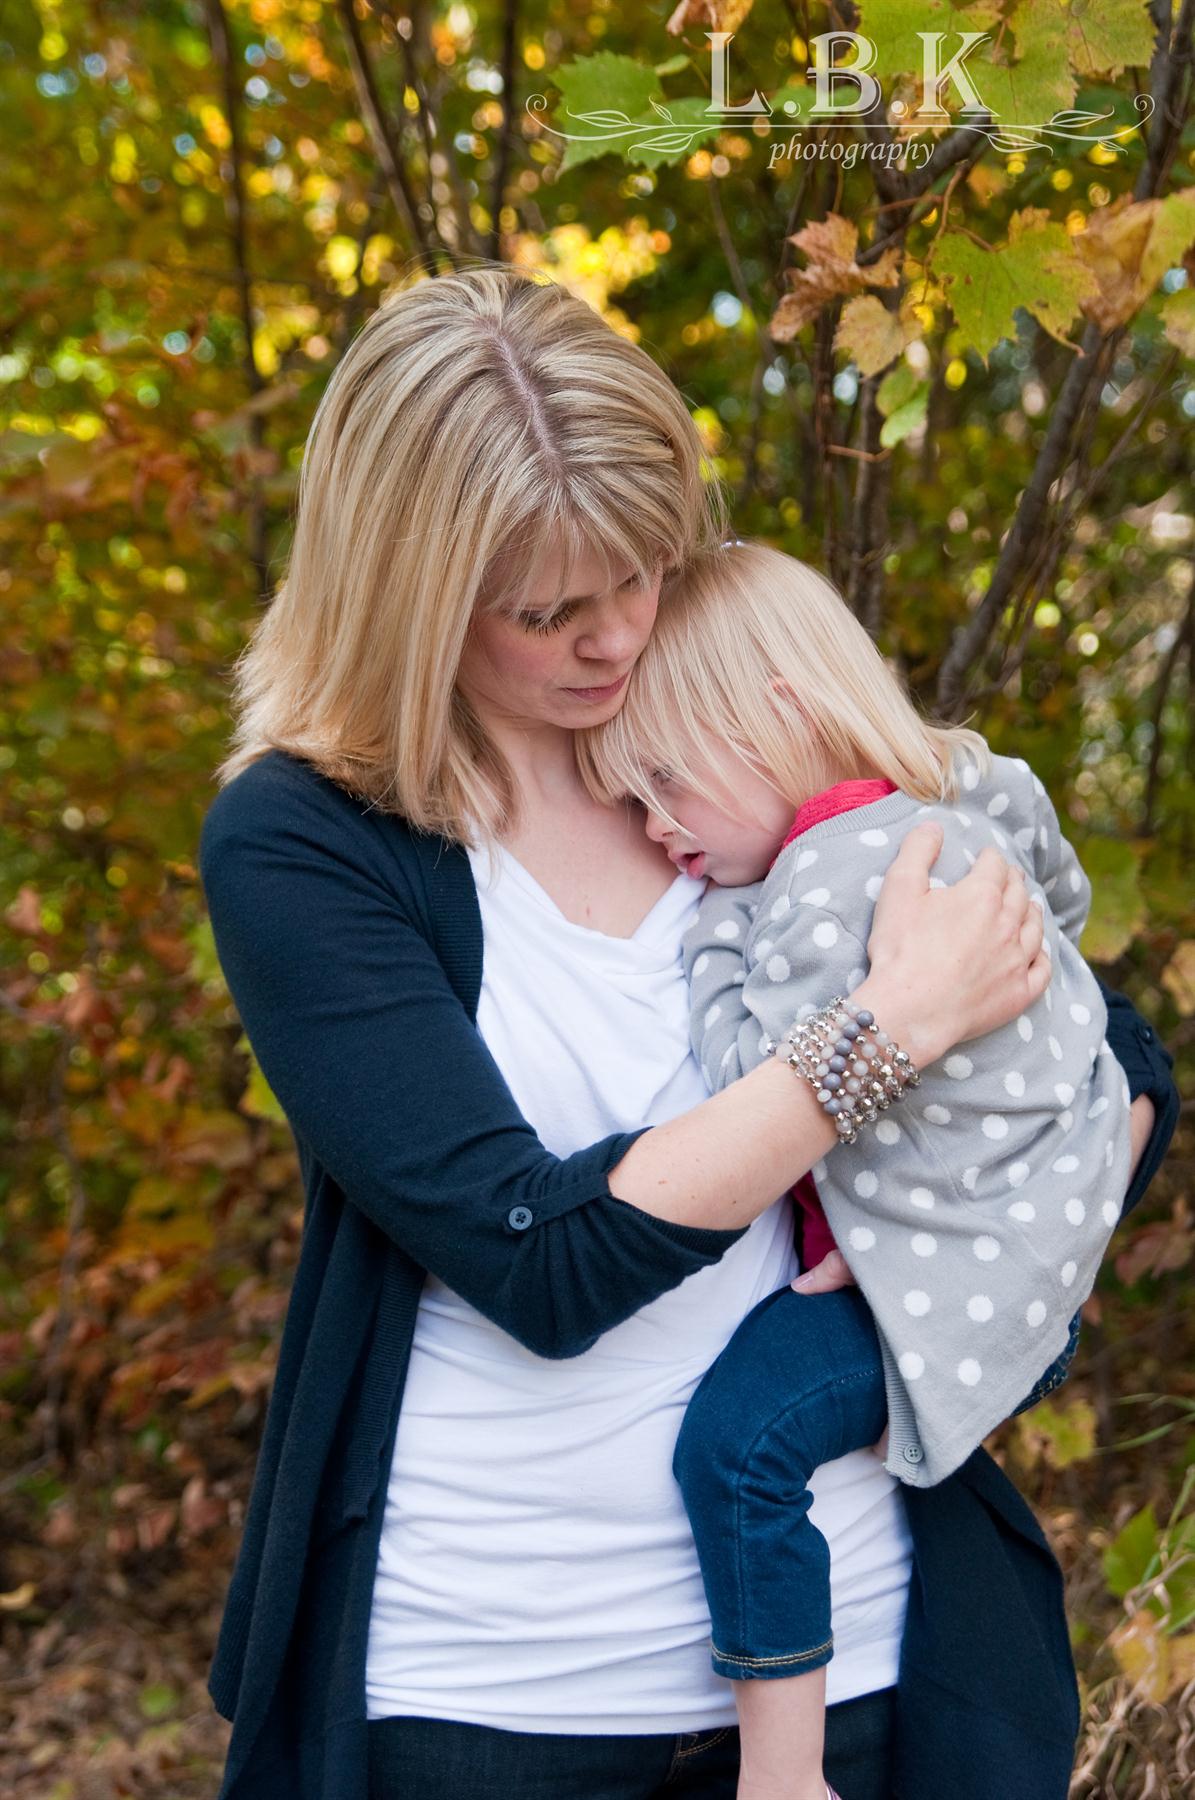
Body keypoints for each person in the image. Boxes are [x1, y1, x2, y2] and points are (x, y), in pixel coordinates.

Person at [196, 264, 1176, 1800]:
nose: (613, 640)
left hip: (865, 1662)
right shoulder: (307, 843)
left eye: (640, 573)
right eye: (547, 611)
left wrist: (989, 1255)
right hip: (487, 1695)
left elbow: (1104, 1052)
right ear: (407, 597)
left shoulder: (723, 739)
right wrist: (882, 1034)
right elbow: (539, 1261)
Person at [579, 538, 1138, 1800]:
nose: (655, 828)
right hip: (1025, 1246)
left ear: (778, 717)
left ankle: (783, 1774)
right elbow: (1060, 891)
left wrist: (715, 933)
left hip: (934, 1284)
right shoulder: (959, 799)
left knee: (737, 1450)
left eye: (662, 781)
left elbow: (754, 1084)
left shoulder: (820, 882)